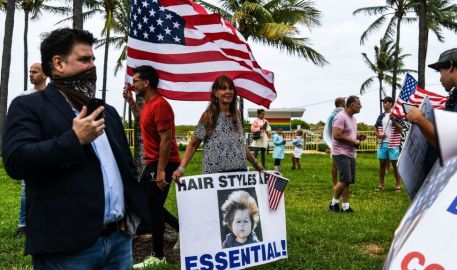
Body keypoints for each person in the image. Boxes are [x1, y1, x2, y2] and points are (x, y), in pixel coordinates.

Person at [2, 28, 149, 269]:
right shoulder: (28, 106)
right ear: (58, 63)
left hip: (119, 242)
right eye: (84, 59)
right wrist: (73, 139)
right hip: (67, 249)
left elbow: (126, 166)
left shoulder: (106, 112)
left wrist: (131, 214)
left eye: (93, 59)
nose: (92, 66)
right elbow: (16, 161)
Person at [123, 65, 180, 268]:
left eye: (135, 80)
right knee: (149, 204)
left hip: (163, 161)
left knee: (152, 207)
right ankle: (183, 230)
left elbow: (166, 140)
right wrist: (131, 102)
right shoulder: (148, 104)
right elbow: (143, 120)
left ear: (146, 82)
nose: (132, 84)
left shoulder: (161, 105)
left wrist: (162, 170)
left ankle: (158, 255)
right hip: (154, 162)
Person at [172, 75, 263, 179]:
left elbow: (240, 144)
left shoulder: (237, 114)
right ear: (215, 93)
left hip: (239, 175)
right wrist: (181, 169)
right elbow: (193, 145)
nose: (228, 91)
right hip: (215, 177)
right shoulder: (208, 116)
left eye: (231, 88)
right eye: (223, 88)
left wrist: (255, 164)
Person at [407, 48, 457, 174]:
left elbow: (447, 142)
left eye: (440, 72)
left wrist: (420, 119)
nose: (440, 78)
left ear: (450, 66)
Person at [15, 63, 48, 238]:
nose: (30, 74)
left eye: (34, 72)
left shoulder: (53, 96)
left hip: (49, 150)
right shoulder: (24, 97)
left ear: (44, 74)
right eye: (29, 71)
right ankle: (22, 225)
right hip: (30, 149)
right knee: (25, 189)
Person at [328, 96, 363, 213]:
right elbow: (337, 135)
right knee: (345, 180)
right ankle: (333, 204)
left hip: (350, 153)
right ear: (351, 104)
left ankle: (345, 207)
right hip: (340, 152)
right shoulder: (340, 117)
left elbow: (348, 134)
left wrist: (358, 138)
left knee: (347, 181)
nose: (360, 106)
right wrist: (353, 141)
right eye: (358, 104)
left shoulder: (353, 119)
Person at [374, 96, 404, 192]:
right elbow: (375, 127)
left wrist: (393, 120)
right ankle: (381, 184)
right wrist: (378, 135)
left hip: (393, 143)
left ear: (391, 103)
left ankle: (398, 184)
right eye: (383, 102)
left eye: (386, 102)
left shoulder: (396, 115)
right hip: (382, 143)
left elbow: (400, 129)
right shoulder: (381, 116)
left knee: (395, 165)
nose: (384, 104)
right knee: (382, 164)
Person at [326, 97, 345, 188]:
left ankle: (337, 183)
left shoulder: (332, 115)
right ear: (341, 104)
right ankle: (337, 183)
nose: (346, 104)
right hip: (339, 142)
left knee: (336, 165)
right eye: (344, 103)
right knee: (338, 165)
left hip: (336, 142)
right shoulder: (339, 115)